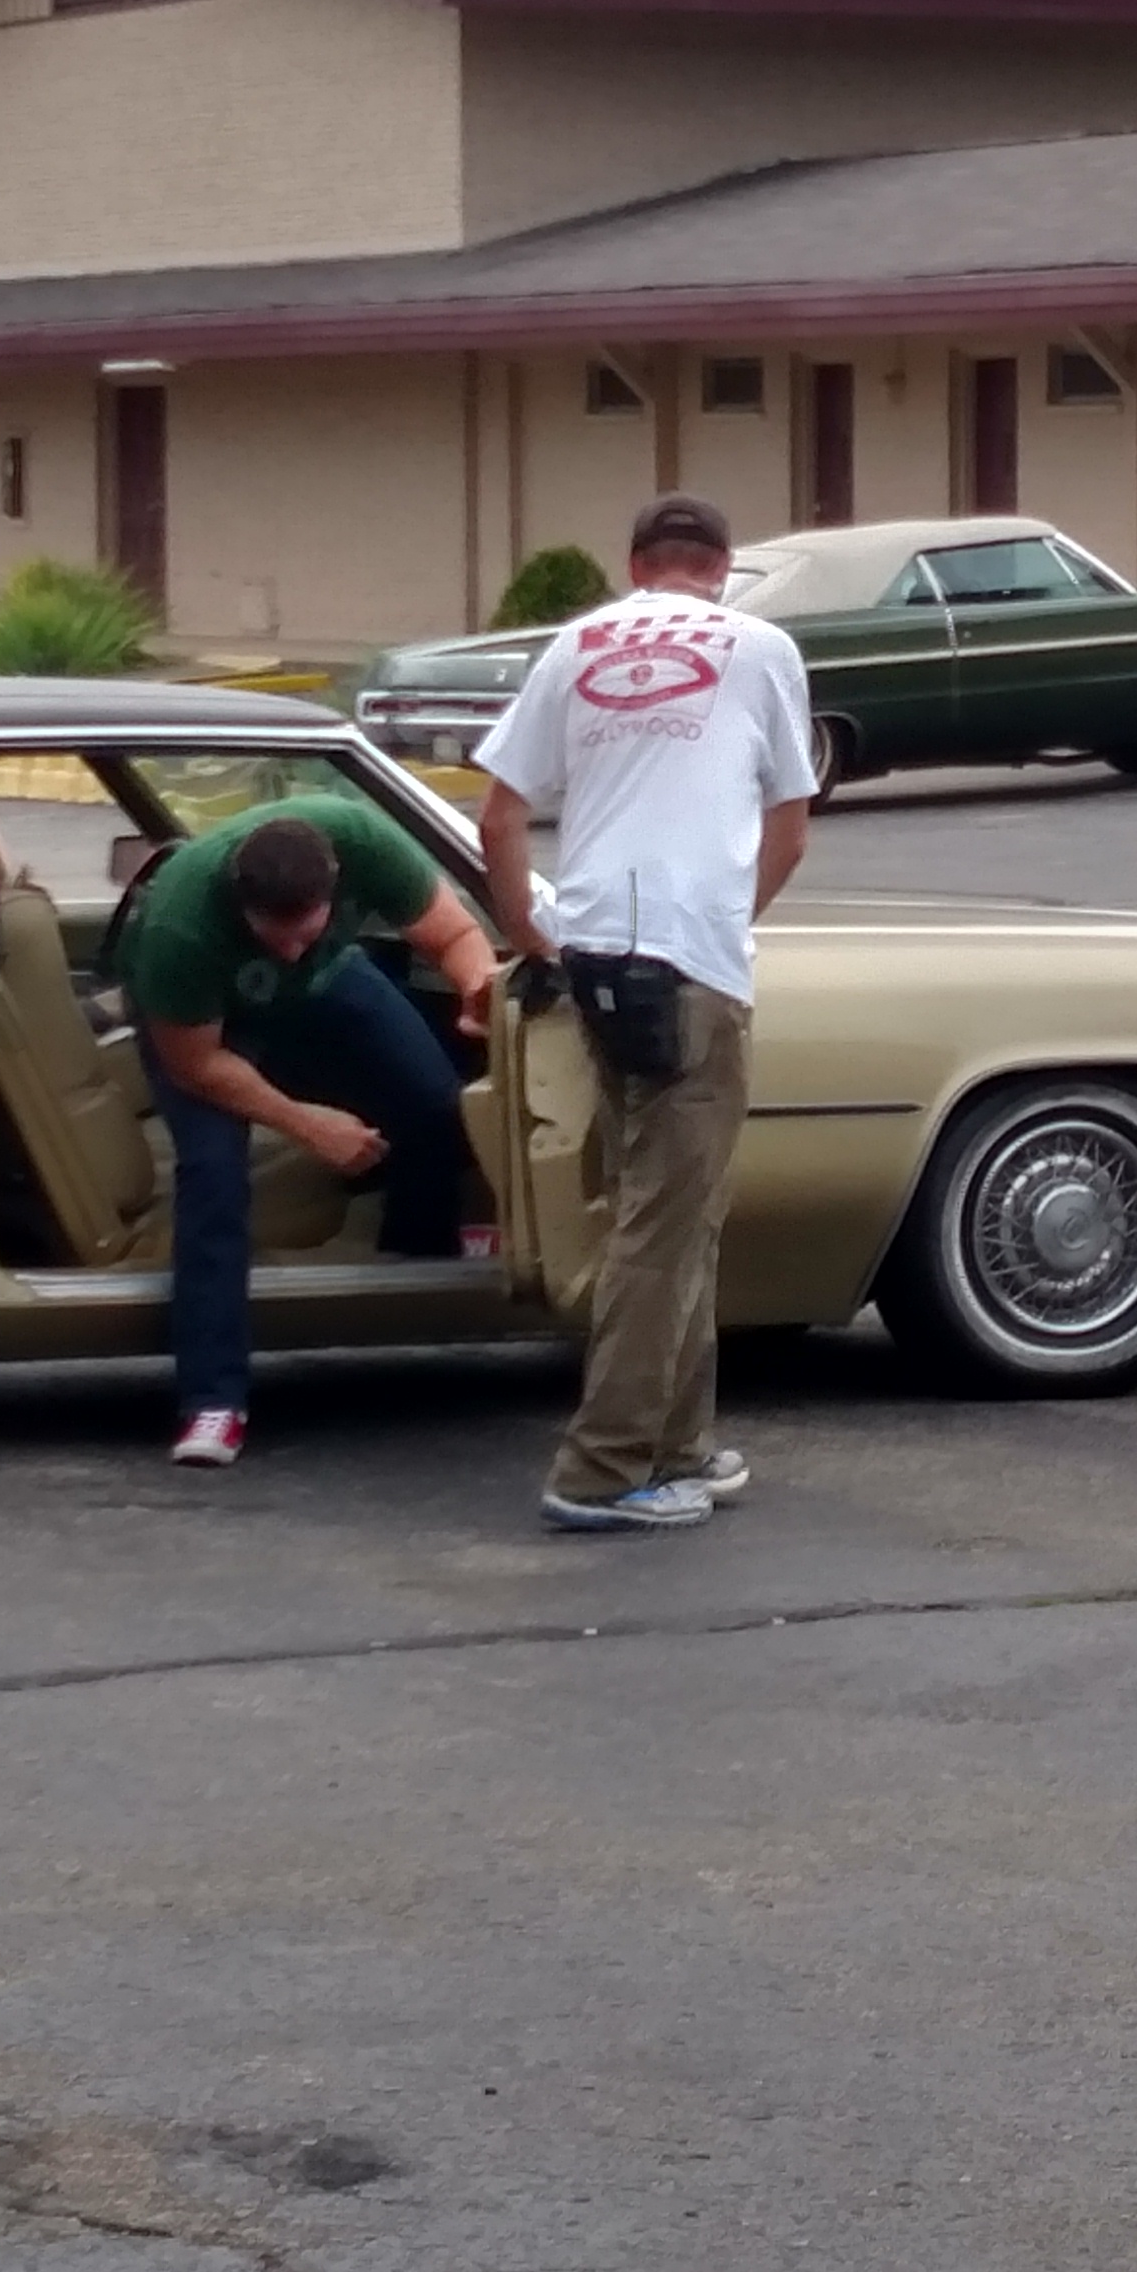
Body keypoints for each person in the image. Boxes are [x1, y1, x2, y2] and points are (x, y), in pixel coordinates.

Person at [472, 490, 817, 1534]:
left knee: (670, 1207)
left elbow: (497, 815)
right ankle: (604, 1468)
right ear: (722, 567)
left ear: (635, 565)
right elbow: (790, 827)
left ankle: (680, 1444)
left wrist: (537, 939)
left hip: (595, 956)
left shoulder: (572, 644)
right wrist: (721, 927)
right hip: (691, 962)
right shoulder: (760, 647)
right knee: (663, 1229)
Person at [119, 792, 502, 1469]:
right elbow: (200, 1065)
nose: (295, 947)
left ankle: (416, 1255)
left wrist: (477, 990)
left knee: (437, 1104)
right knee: (213, 1177)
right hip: (211, 1025)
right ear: (242, 906)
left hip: (328, 986)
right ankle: (213, 1399)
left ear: (335, 886)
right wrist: (308, 1125)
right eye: (278, 935)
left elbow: (454, 936)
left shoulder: (361, 841)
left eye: (309, 928)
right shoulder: (181, 925)